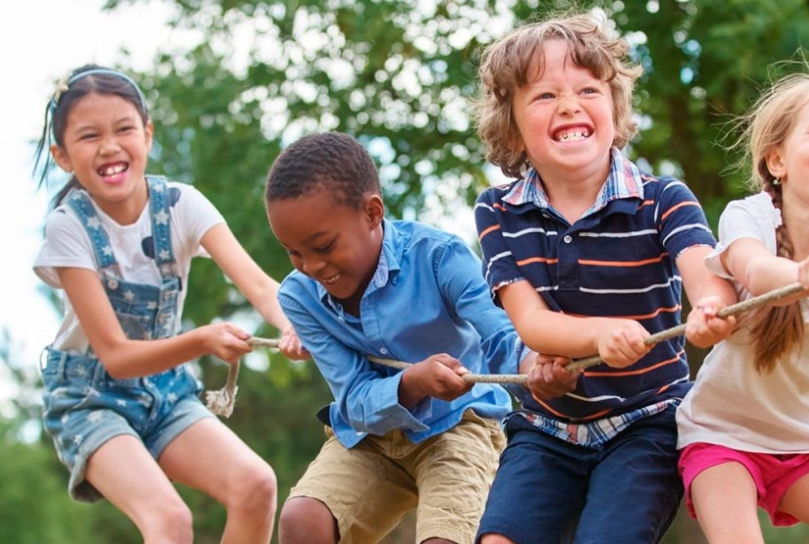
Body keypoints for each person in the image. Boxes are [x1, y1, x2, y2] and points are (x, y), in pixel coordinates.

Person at [471, 13, 737, 544]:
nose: (569, 104)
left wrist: (711, 309)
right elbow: (531, 323)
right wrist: (597, 335)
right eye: (544, 96)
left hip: (647, 424)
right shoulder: (498, 210)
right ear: (512, 125)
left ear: (614, 109)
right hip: (546, 428)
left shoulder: (664, 199)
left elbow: (706, 272)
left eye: (588, 89)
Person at [33, 64, 308, 544]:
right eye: (89, 135)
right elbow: (115, 356)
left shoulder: (182, 204)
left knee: (256, 484)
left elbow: (261, 287)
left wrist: (294, 326)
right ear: (61, 155)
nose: (110, 146)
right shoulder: (67, 228)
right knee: (170, 521)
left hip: (164, 392)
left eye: (123, 129)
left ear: (147, 133)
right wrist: (202, 340)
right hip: (89, 397)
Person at [264, 131, 530, 544]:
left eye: (324, 246)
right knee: (302, 519)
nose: (312, 266)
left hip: (460, 424)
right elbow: (352, 398)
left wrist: (533, 367)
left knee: (444, 539)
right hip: (369, 438)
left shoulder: (440, 256)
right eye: (293, 252)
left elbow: (500, 332)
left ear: (372, 213)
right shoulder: (299, 297)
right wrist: (412, 384)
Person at [675, 72, 809, 544]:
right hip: (721, 436)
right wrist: (804, 276)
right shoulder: (748, 217)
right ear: (777, 160)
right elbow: (756, 270)